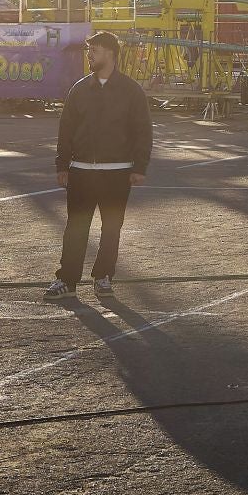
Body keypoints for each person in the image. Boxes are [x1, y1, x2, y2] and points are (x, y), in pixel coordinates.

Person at [45, 31, 151, 299]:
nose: (89, 55)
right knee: (76, 228)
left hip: (117, 173)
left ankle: (103, 277)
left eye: (94, 50)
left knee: (111, 228)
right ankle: (67, 280)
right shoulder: (79, 89)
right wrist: (62, 165)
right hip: (81, 171)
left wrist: (139, 166)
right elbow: (66, 129)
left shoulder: (131, 91)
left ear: (110, 53)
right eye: (88, 50)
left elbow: (143, 131)